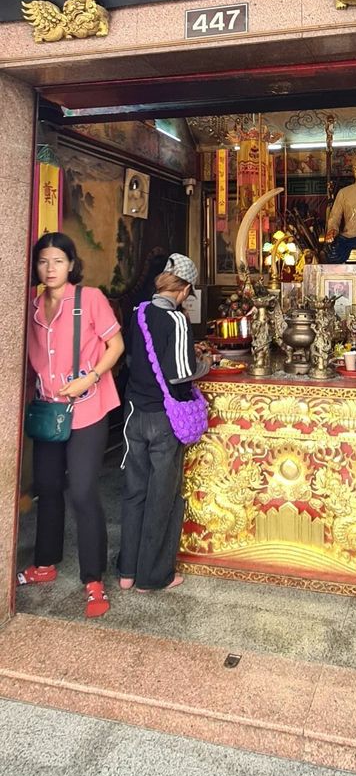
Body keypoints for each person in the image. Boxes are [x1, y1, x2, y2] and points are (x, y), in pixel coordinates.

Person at [19, 232, 125, 619]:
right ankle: (45, 563)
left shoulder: (89, 299)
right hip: (49, 412)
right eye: (43, 261)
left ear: (71, 265)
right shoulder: (30, 306)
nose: (50, 268)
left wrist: (90, 377)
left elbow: (116, 346)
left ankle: (93, 579)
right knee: (48, 487)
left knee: (81, 491)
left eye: (58, 261)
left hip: (87, 409)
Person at [117, 254, 211, 592]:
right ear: (184, 290)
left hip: (134, 414)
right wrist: (206, 363)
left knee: (134, 492)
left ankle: (127, 572)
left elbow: (133, 359)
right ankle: (153, 576)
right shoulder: (177, 320)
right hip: (163, 419)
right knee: (162, 496)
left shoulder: (139, 312)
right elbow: (180, 373)